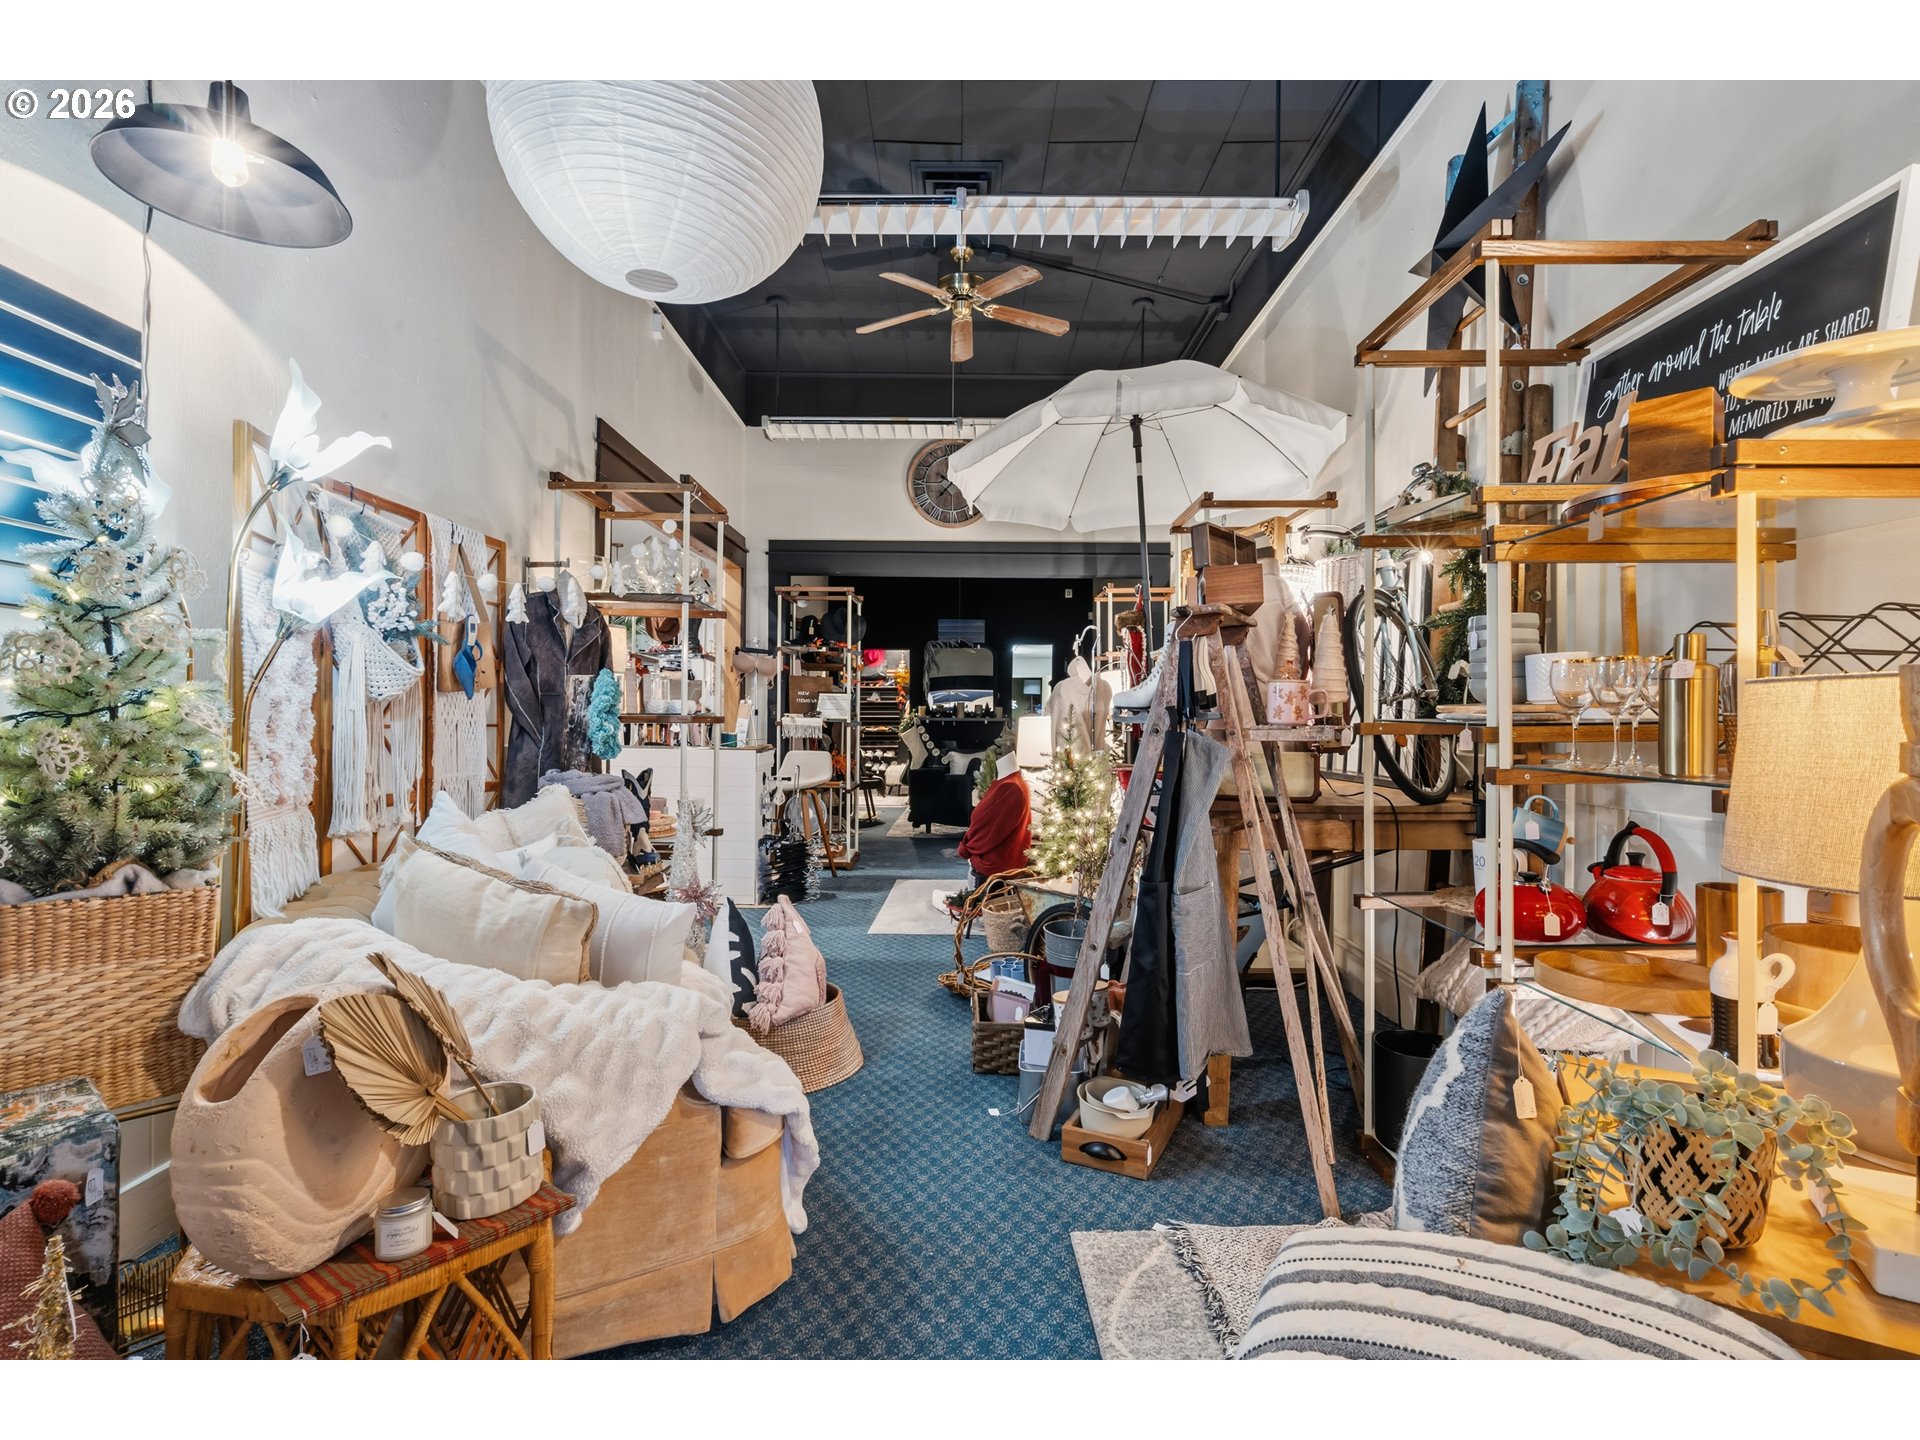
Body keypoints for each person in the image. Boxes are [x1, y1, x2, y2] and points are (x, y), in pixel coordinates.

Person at [946, 749, 1032, 912]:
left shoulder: (1009, 786)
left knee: (976, 862)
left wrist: (966, 847)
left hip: (1001, 859)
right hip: (1006, 853)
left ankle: (978, 903)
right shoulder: (1012, 782)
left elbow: (989, 832)